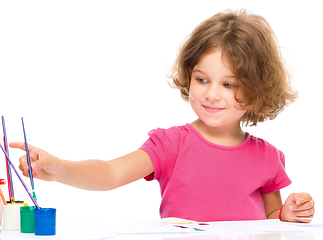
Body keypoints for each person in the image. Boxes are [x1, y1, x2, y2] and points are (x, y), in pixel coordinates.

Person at [10, 9, 315, 223]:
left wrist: (288, 214)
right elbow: (110, 173)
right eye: (202, 79)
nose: (211, 94)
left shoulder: (267, 157)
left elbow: (271, 219)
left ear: (257, 89)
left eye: (229, 84)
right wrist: (60, 168)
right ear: (188, 76)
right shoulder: (171, 144)